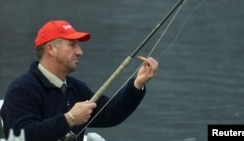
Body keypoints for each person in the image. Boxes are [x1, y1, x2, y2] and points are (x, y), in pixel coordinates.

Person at [0, 20, 158, 141]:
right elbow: (19, 135)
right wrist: (69, 119)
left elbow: (110, 114)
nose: (80, 52)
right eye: (72, 45)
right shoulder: (21, 90)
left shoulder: (76, 88)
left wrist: (137, 84)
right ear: (50, 49)